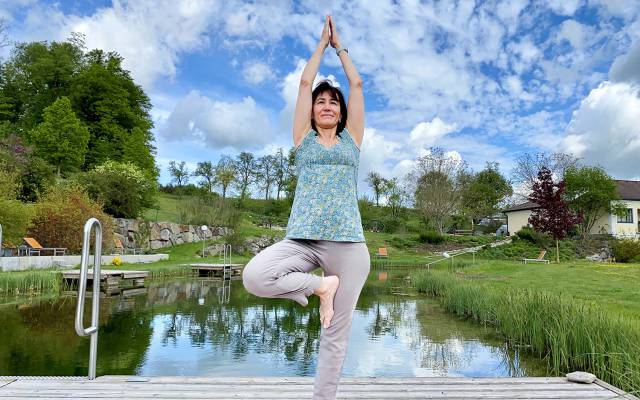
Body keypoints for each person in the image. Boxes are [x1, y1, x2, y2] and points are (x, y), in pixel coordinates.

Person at [242, 14, 369, 400]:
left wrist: (339, 46)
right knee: (255, 276)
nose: (327, 106)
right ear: (312, 112)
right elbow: (302, 83)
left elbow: (357, 83)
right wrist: (319, 46)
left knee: (335, 333)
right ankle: (320, 287)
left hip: (348, 245)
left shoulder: (353, 141)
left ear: (342, 112)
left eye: (333, 103)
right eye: (320, 102)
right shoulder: (303, 141)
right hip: (302, 241)